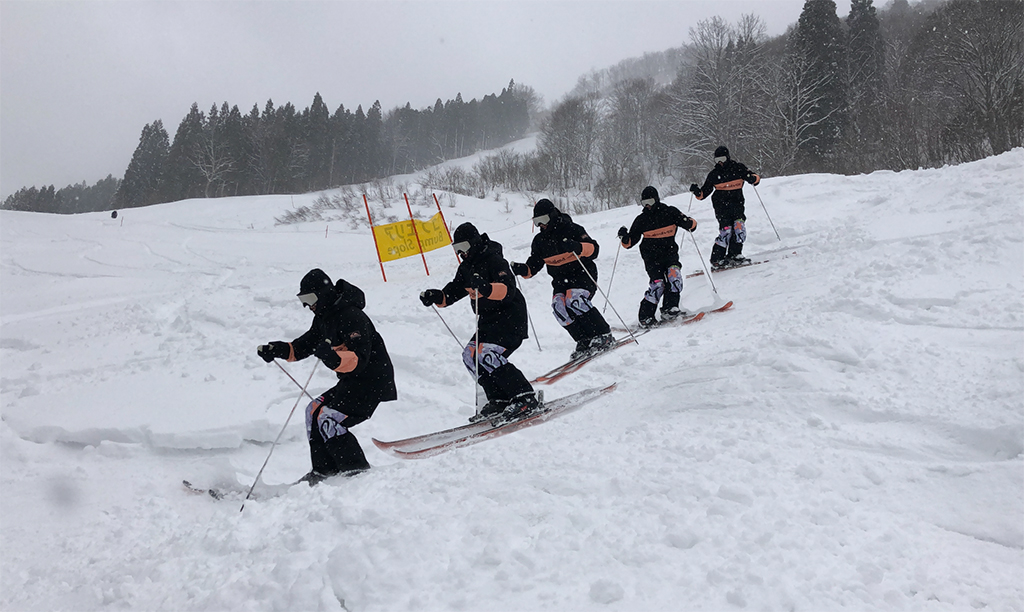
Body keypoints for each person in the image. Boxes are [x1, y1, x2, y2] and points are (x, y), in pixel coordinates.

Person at [257, 269, 396, 484]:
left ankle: (355, 473)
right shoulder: (324, 317)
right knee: (313, 410)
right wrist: (277, 349)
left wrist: (332, 357)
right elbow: (303, 346)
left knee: (328, 418)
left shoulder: (352, 316)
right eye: (302, 300)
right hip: (352, 381)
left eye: (309, 298)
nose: (307, 305)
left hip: (372, 382)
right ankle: (324, 471)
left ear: (323, 293)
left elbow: (360, 359)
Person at [419, 222, 541, 423]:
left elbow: (508, 289)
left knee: (487, 354)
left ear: (475, 243)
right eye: (457, 249)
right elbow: (453, 291)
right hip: (488, 321)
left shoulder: (495, 261)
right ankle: (499, 398)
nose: (461, 253)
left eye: (464, 248)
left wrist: (486, 288)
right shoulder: (466, 268)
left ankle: (524, 397)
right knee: (470, 355)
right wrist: (437, 296)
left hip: (510, 317)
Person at [511, 199, 614, 359]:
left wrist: (578, 247)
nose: (541, 225)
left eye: (543, 220)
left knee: (575, 299)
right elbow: (533, 266)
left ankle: (603, 334)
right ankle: (583, 339)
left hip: (582, 274)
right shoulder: (540, 241)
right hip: (560, 281)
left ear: (552, 215)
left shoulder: (572, 229)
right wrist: (523, 269)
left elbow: (595, 250)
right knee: (559, 307)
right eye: (537, 222)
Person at [617, 186, 698, 328]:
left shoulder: (670, 212)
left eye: (650, 201)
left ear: (656, 199)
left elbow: (691, 225)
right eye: (644, 203)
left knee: (674, 277)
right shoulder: (641, 219)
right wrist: (624, 237)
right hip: (651, 256)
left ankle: (670, 309)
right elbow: (630, 243)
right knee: (658, 284)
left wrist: (688, 222)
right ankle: (645, 317)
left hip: (669, 253)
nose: (647, 205)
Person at [689, 145, 761, 269]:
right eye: (717, 160)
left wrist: (751, 178)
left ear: (727, 157)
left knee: (739, 228)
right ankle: (717, 259)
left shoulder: (738, 168)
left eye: (722, 159)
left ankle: (735, 254)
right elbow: (703, 194)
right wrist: (696, 192)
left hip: (737, 204)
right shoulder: (714, 174)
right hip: (721, 206)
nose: (720, 162)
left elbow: (756, 179)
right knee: (726, 231)